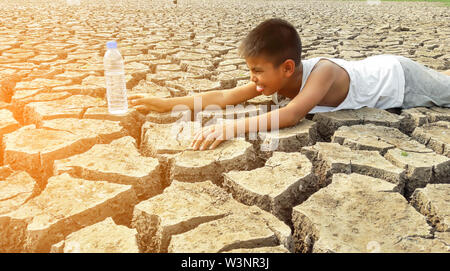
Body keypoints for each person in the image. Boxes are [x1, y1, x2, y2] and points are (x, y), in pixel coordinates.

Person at [128, 18, 450, 151]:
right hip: (387, 78)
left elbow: (292, 114)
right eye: (250, 71)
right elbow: (224, 96)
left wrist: (231, 128)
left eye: (257, 71)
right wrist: (165, 104)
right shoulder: (273, 83)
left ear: (287, 67)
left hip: (400, 77)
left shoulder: (321, 73)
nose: (252, 79)